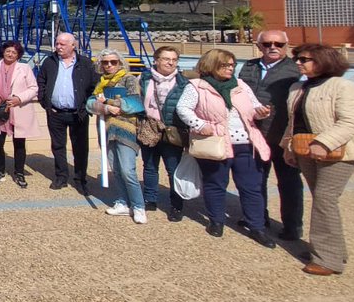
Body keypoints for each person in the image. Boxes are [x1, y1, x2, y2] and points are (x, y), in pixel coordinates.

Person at [176, 49, 275, 247]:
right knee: (215, 184)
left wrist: (261, 112)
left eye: (232, 65)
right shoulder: (197, 86)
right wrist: (199, 125)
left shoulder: (240, 85)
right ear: (212, 65)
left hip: (246, 144)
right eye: (226, 65)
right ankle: (217, 221)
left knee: (251, 187)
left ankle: (256, 226)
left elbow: (254, 107)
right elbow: (183, 108)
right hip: (215, 142)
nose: (231, 68)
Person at [282, 44, 354, 275]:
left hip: (338, 152)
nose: (298, 63)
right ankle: (334, 251)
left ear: (322, 61)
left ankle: (327, 260)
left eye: (304, 59)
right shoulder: (297, 87)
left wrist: (324, 143)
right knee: (322, 201)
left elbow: (349, 122)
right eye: (297, 59)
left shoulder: (342, 86)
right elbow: (293, 122)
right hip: (305, 150)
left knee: (324, 200)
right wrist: (288, 148)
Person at [238, 30, 303, 239]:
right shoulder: (249, 66)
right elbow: (239, 93)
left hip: (282, 135)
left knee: (288, 183)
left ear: (286, 46)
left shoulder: (295, 69)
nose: (273, 47)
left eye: (278, 44)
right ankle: (258, 217)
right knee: (255, 180)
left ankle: (292, 227)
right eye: (267, 44)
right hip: (254, 134)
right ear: (259, 46)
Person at [87, 49, 146, 223]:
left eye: (113, 62)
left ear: (120, 63)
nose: (109, 65)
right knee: (116, 169)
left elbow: (135, 103)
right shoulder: (101, 82)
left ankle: (138, 206)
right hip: (107, 130)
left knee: (128, 170)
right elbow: (90, 104)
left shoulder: (129, 79)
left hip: (126, 129)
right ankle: (122, 202)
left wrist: (109, 102)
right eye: (105, 62)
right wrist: (106, 108)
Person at [36, 32, 99, 194]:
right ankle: (61, 177)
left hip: (78, 114)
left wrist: (86, 105)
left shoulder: (86, 63)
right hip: (55, 113)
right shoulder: (49, 62)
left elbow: (95, 85)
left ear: (73, 45)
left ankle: (80, 179)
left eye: (62, 44)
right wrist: (45, 102)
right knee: (58, 146)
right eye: (57, 43)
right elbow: (41, 81)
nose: (58, 47)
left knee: (80, 147)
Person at [138, 45, 190, 222]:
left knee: (173, 169)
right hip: (149, 128)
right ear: (156, 60)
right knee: (149, 166)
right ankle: (150, 199)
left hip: (172, 129)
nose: (171, 63)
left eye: (174, 60)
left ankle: (176, 205)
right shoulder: (144, 78)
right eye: (167, 59)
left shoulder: (183, 82)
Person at [0, 41, 39, 187]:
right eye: (8, 51)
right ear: (3, 52)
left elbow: (34, 88)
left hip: (18, 109)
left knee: (19, 143)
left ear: (18, 55)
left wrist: (19, 98)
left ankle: (19, 172)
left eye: (14, 52)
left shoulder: (25, 68)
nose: (10, 54)